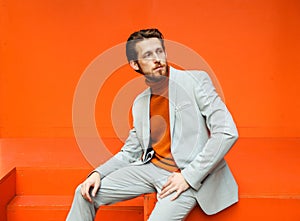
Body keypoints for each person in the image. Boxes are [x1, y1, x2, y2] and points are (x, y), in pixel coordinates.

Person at [66, 28, 238, 221]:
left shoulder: (194, 81)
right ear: (135, 64)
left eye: (159, 51)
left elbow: (226, 132)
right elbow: (130, 152)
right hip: (151, 169)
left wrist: (188, 177)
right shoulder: (140, 103)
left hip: (185, 175)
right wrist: (98, 173)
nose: (157, 59)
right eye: (148, 55)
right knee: (83, 192)